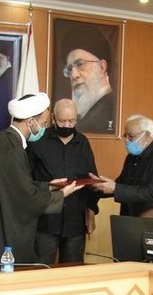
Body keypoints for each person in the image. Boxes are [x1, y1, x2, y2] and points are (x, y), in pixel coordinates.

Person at [0, 93, 83, 264]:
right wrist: (62, 194)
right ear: (31, 122)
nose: (44, 128)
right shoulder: (9, 148)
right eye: (43, 123)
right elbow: (25, 197)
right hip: (0, 230)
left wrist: (48, 186)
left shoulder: (5, 141)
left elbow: (17, 184)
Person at [28, 98, 100, 264]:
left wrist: (91, 212)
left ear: (77, 118)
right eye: (62, 121)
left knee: (73, 271)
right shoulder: (38, 141)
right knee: (41, 270)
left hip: (75, 223)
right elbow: (27, 181)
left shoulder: (83, 142)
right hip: (45, 222)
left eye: (71, 121)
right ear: (53, 118)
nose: (67, 125)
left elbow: (92, 179)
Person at [91, 114, 153, 217]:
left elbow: (152, 192)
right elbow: (122, 184)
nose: (126, 140)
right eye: (125, 136)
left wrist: (116, 188)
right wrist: (99, 185)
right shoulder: (131, 157)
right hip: (130, 217)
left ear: (147, 135)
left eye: (131, 136)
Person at [61, 24, 115, 134]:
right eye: (70, 69)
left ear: (102, 67)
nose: (74, 75)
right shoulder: (86, 115)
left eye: (80, 64)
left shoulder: (110, 109)